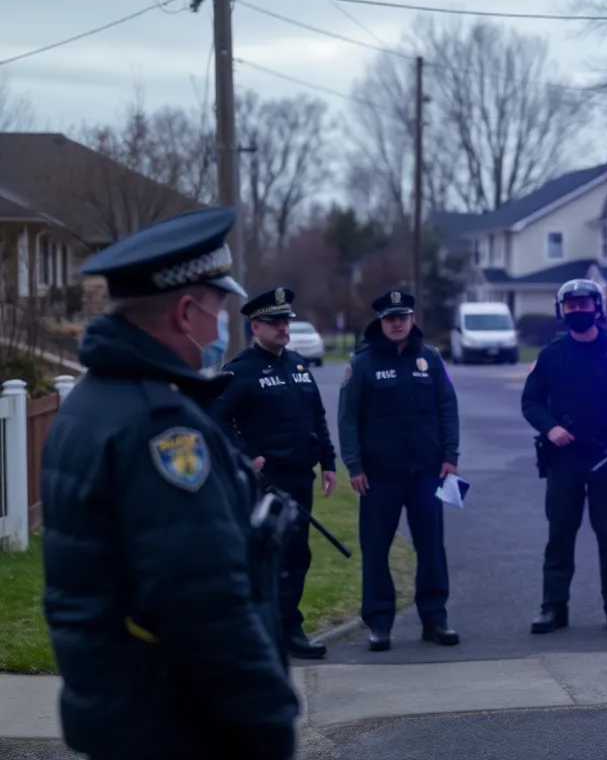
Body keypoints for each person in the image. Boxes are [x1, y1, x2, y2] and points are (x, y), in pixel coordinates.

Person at [39, 207, 300, 760]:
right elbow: (205, 605)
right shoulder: (160, 425)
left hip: (126, 714)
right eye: (219, 308)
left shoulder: (92, 400)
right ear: (186, 312)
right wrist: (270, 720)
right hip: (178, 725)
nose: (220, 326)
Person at [212, 286, 338, 660]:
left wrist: (328, 461)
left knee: (298, 555)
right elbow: (217, 419)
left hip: (301, 476)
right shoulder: (240, 371)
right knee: (269, 557)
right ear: (256, 327)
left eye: (286, 321)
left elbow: (316, 416)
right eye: (275, 322)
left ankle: (289, 628)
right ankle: (264, 631)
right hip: (266, 482)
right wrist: (245, 456)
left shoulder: (298, 365)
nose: (284, 328)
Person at [522, 279, 607, 634]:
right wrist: (549, 428)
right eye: (571, 305)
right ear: (561, 309)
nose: (578, 311)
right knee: (560, 535)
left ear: (598, 307)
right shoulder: (551, 355)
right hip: (563, 460)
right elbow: (530, 401)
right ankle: (553, 609)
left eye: (584, 304)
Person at [338, 288, 461, 651]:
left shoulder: (431, 360)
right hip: (378, 476)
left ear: (411, 319)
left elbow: (447, 411)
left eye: (402, 317)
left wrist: (450, 457)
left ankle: (435, 619)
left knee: (431, 548)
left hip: (427, 472)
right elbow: (348, 420)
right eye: (390, 318)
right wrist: (354, 465)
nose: (396, 324)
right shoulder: (362, 364)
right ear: (380, 321)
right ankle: (379, 623)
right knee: (376, 550)